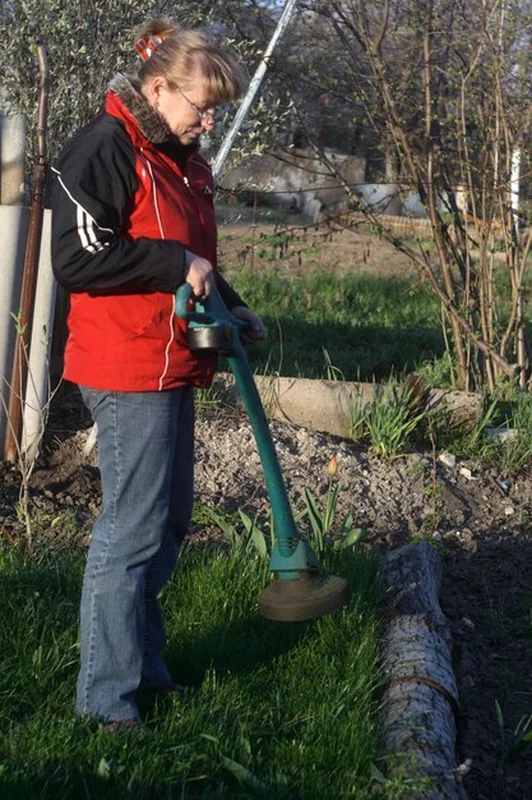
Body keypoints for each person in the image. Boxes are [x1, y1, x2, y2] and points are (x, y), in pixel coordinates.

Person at [51, 18, 266, 729]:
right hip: (126, 364)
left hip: (170, 360)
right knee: (132, 531)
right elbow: (78, 258)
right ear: (157, 89)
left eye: (215, 111)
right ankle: (106, 704)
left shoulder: (175, 156)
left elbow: (189, 249)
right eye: (202, 107)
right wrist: (178, 265)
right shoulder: (106, 146)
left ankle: (143, 669)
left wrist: (230, 302)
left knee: (167, 523)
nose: (209, 122)